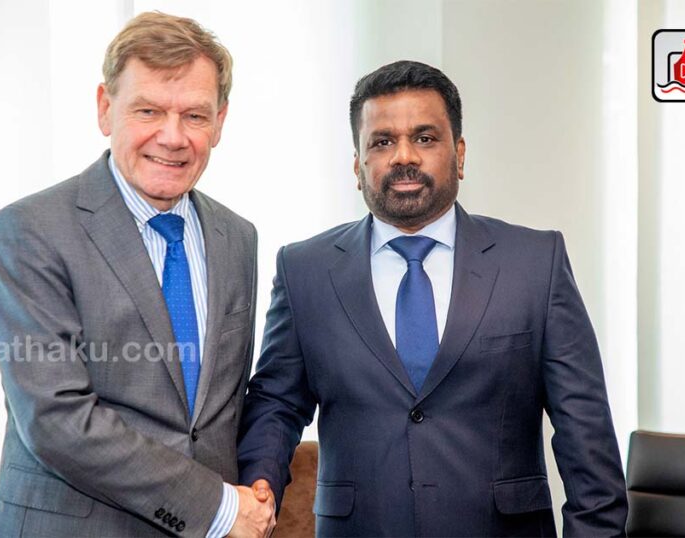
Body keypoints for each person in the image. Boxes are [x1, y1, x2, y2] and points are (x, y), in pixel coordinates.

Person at [237, 60, 627, 537]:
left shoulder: (534, 263)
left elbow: (586, 433)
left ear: (459, 154)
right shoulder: (304, 270)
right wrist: (256, 490)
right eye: (382, 142)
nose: (404, 156)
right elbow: (276, 403)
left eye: (424, 138)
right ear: (358, 166)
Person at [0, 12, 274, 538]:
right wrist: (216, 507)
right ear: (105, 108)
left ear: (220, 121)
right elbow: (56, 419)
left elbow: (223, 410)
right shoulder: (29, 231)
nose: (173, 136)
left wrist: (255, 491)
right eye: (148, 110)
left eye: (194, 115)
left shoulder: (238, 238)